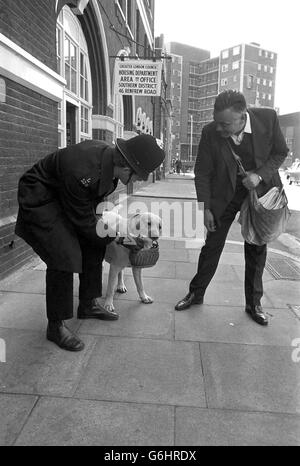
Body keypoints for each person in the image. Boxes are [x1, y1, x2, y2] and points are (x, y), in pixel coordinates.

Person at [15, 134, 165, 351]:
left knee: (95, 244)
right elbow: (85, 222)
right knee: (63, 253)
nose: (139, 180)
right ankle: (56, 326)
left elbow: (92, 211)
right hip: (41, 198)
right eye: (139, 175)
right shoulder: (83, 170)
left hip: (67, 198)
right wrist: (122, 238)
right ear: (126, 167)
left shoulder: (109, 167)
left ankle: (88, 304)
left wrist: (114, 235)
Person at [175, 90, 288, 325]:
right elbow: (203, 172)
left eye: (225, 124)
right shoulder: (210, 132)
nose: (219, 129)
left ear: (242, 116)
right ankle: (196, 293)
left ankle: (254, 303)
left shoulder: (267, 118)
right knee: (212, 244)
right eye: (217, 122)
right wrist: (205, 208)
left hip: (259, 193)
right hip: (224, 195)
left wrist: (259, 176)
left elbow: (280, 152)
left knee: (256, 249)